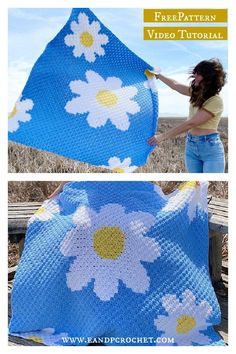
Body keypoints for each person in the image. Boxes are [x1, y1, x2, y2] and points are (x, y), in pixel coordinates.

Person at [147, 58, 227, 173]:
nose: (194, 75)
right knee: (196, 185)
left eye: (198, 73)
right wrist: (159, 75)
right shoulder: (196, 93)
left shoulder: (216, 101)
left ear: (209, 78)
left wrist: (161, 137)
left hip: (210, 148)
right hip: (191, 145)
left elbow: (191, 123)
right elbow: (175, 85)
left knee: (210, 184)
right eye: (195, 72)